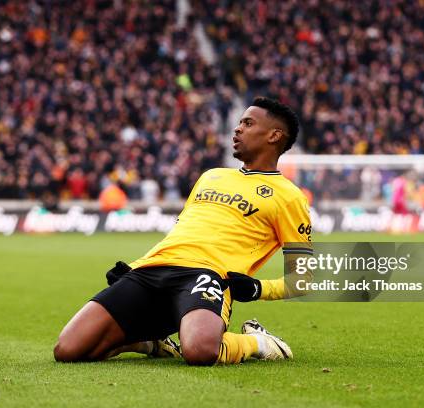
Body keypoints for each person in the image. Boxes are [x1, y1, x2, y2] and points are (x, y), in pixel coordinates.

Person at [53, 97, 313, 365]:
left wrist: (259, 289)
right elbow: (182, 232)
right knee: (68, 350)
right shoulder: (211, 175)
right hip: (152, 269)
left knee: (200, 351)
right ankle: (148, 343)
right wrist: (135, 267)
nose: (237, 129)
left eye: (247, 123)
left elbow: (303, 279)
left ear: (274, 135)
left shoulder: (289, 197)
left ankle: (259, 342)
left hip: (207, 275)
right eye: (239, 123)